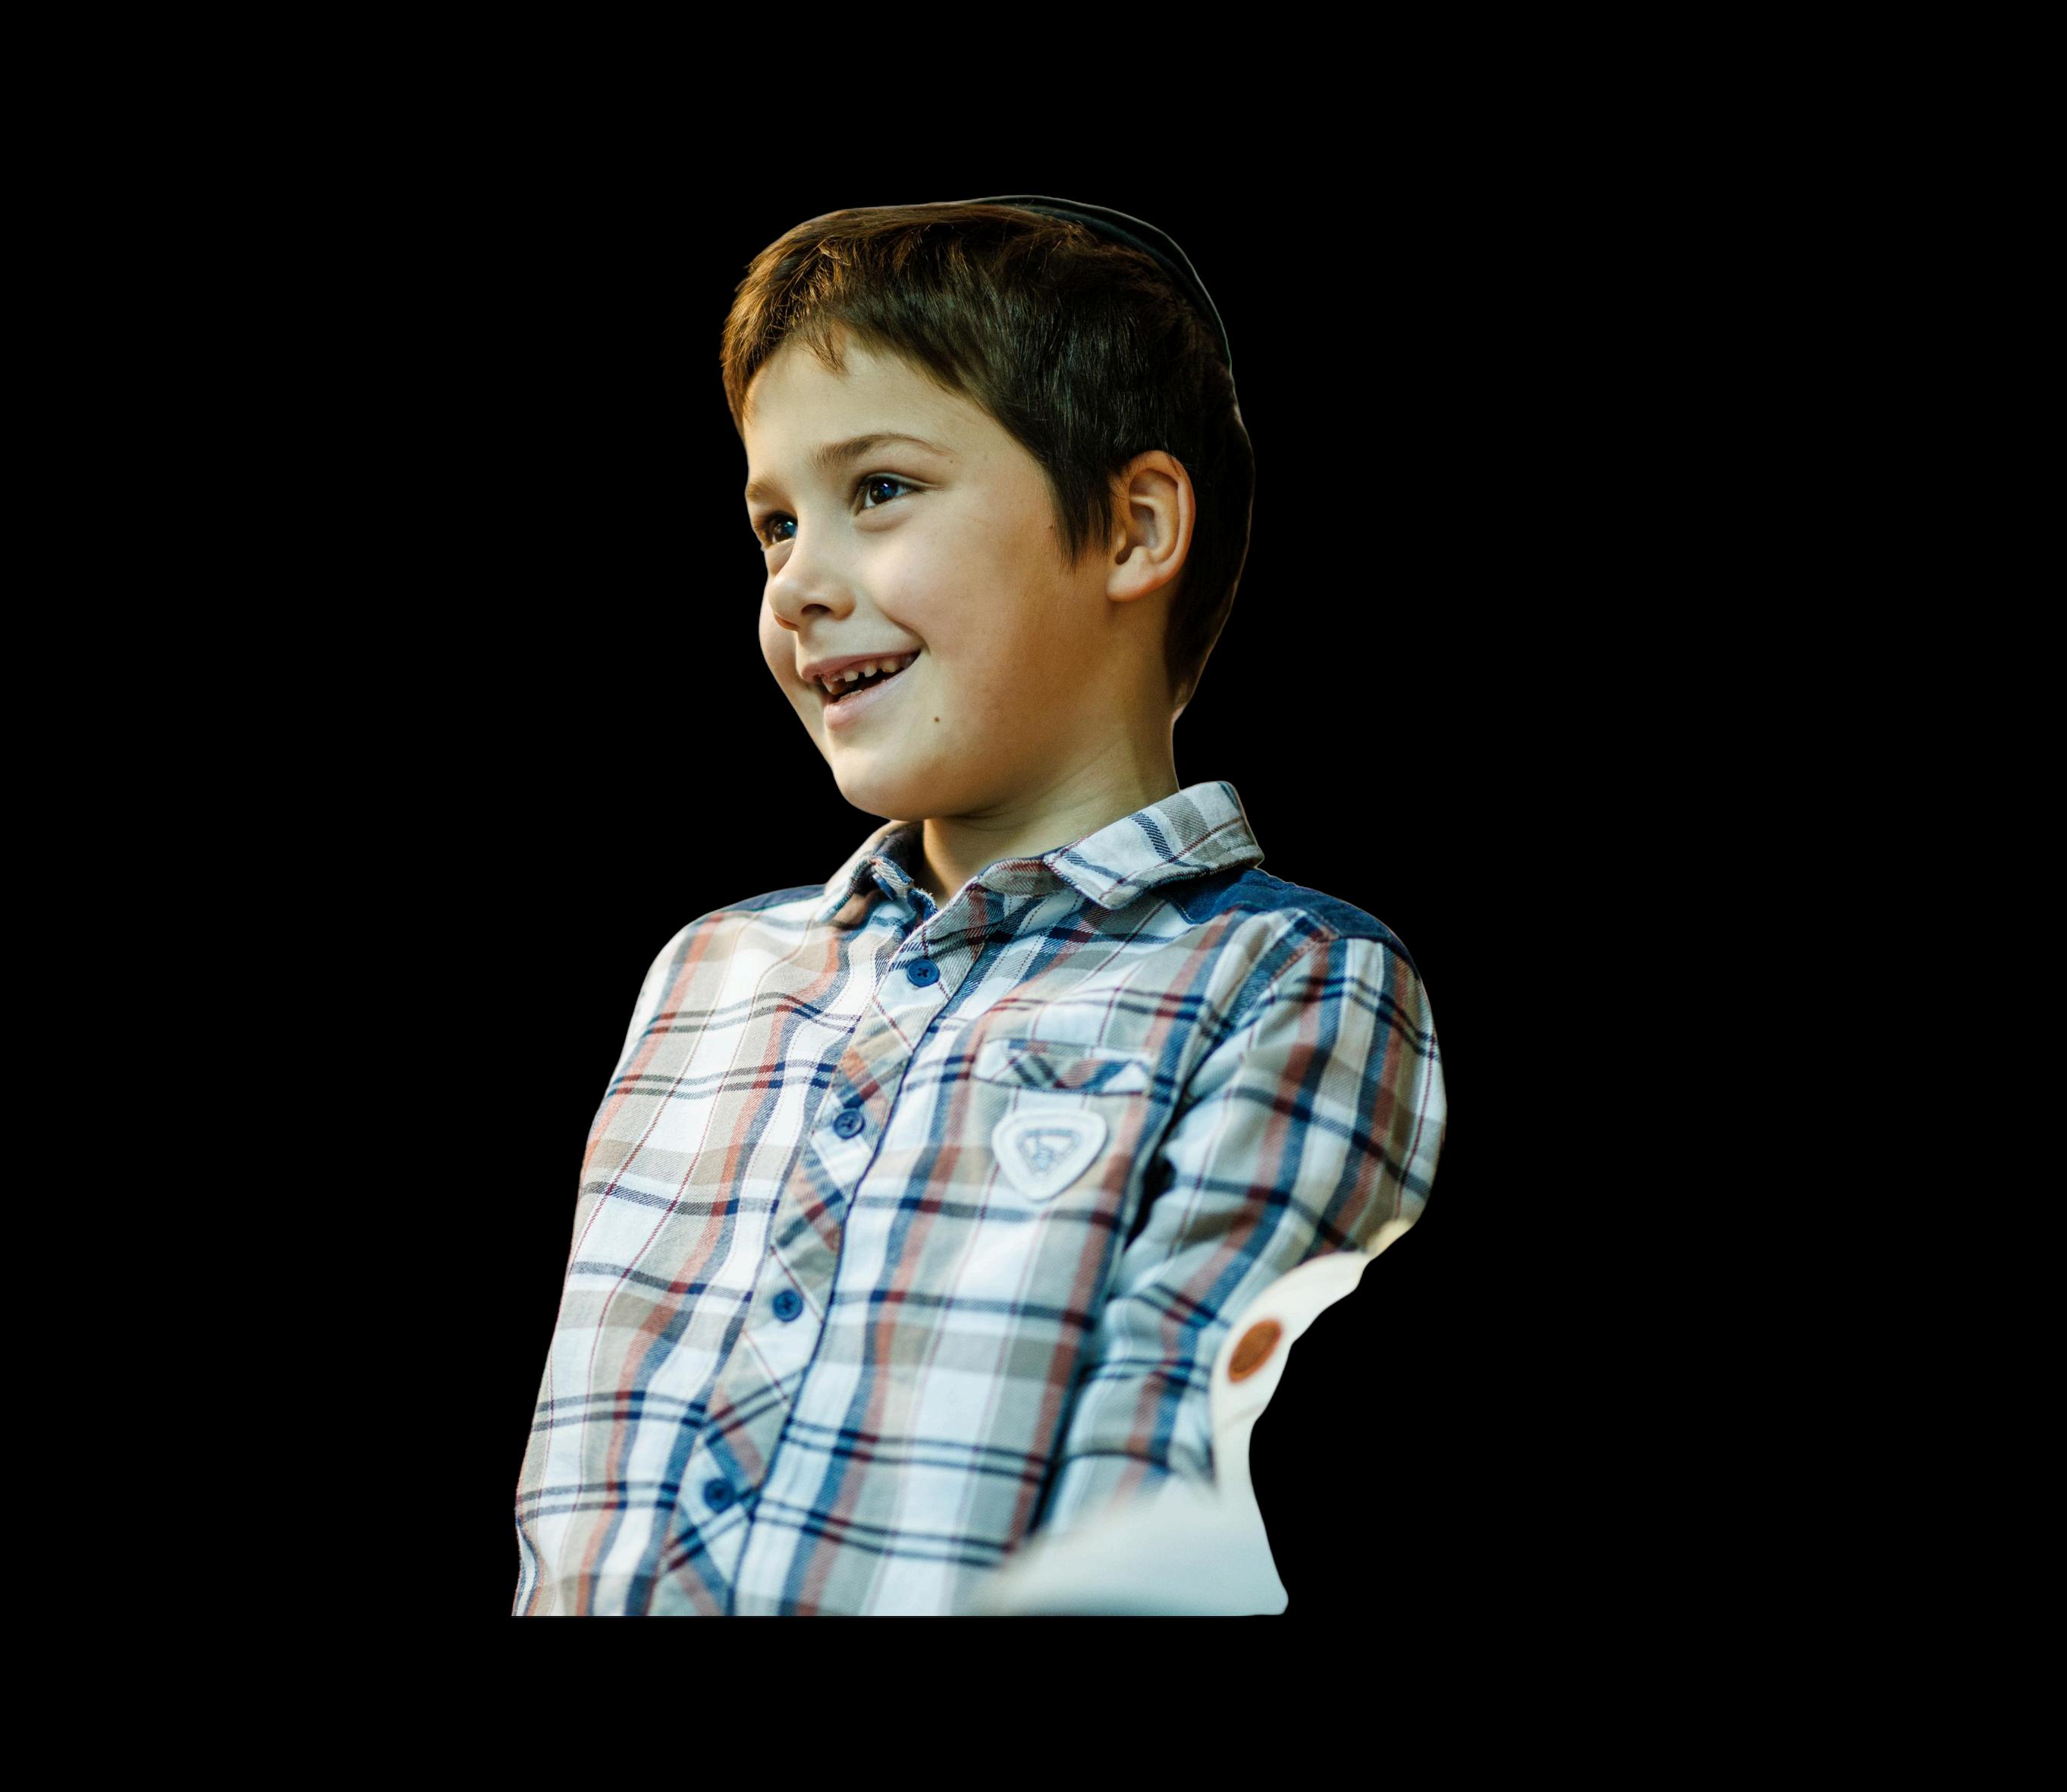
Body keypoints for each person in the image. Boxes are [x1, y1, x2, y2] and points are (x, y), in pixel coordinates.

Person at [512, 196, 1450, 1616]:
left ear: (1133, 528)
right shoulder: (709, 975)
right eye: (775, 523)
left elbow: (1159, 1526)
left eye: (880, 488)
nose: (797, 584)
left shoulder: (1287, 983)